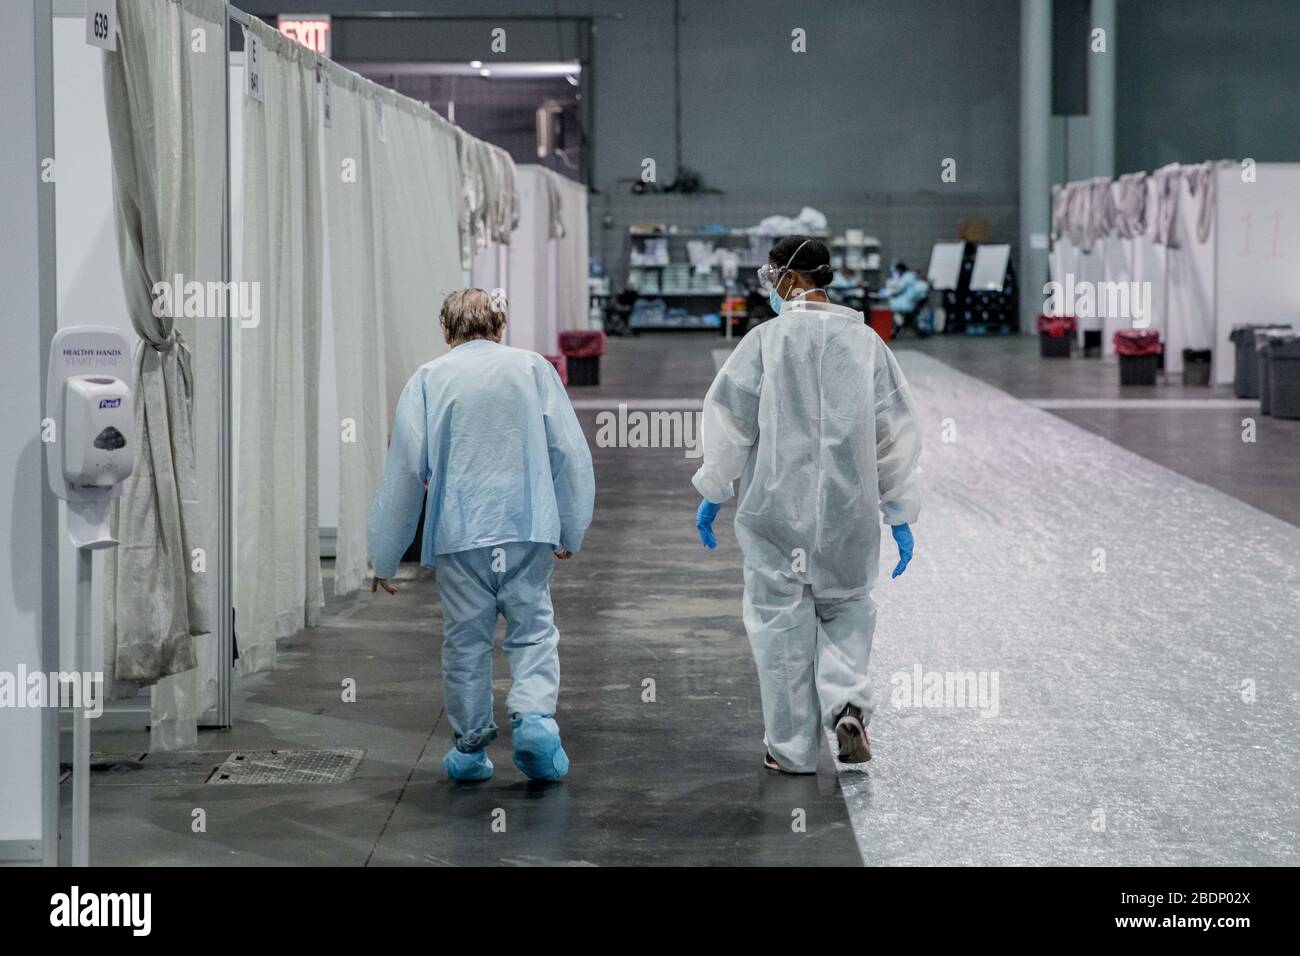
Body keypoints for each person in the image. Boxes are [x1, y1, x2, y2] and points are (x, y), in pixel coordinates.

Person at [692, 236, 922, 774]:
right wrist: (901, 509)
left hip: (776, 512)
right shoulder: (867, 345)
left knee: (780, 626)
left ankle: (791, 750)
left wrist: (713, 489)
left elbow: (729, 419)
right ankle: (846, 705)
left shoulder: (765, 342)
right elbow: (895, 430)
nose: (770, 286)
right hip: (849, 513)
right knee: (845, 609)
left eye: (773, 276)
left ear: (791, 280)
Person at [367, 289, 595, 783]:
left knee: (466, 642)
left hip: (460, 531)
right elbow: (569, 453)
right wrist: (571, 525)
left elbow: (406, 471)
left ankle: (470, 749)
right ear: (499, 327)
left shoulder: (428, 378)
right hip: (527, 525)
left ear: (446, 332)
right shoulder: (534, 369)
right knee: (532, 631)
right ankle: (534, 721)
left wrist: (384, 556)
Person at [877, 260, 931, 334]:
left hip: (906, 304)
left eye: (896, 270)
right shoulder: (911, 277)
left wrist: (890, 293)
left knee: (888, 306)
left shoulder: (907, 277)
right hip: (909, 302)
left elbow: (899, 288)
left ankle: (897, 325)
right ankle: (898, 324)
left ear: (900, 269)